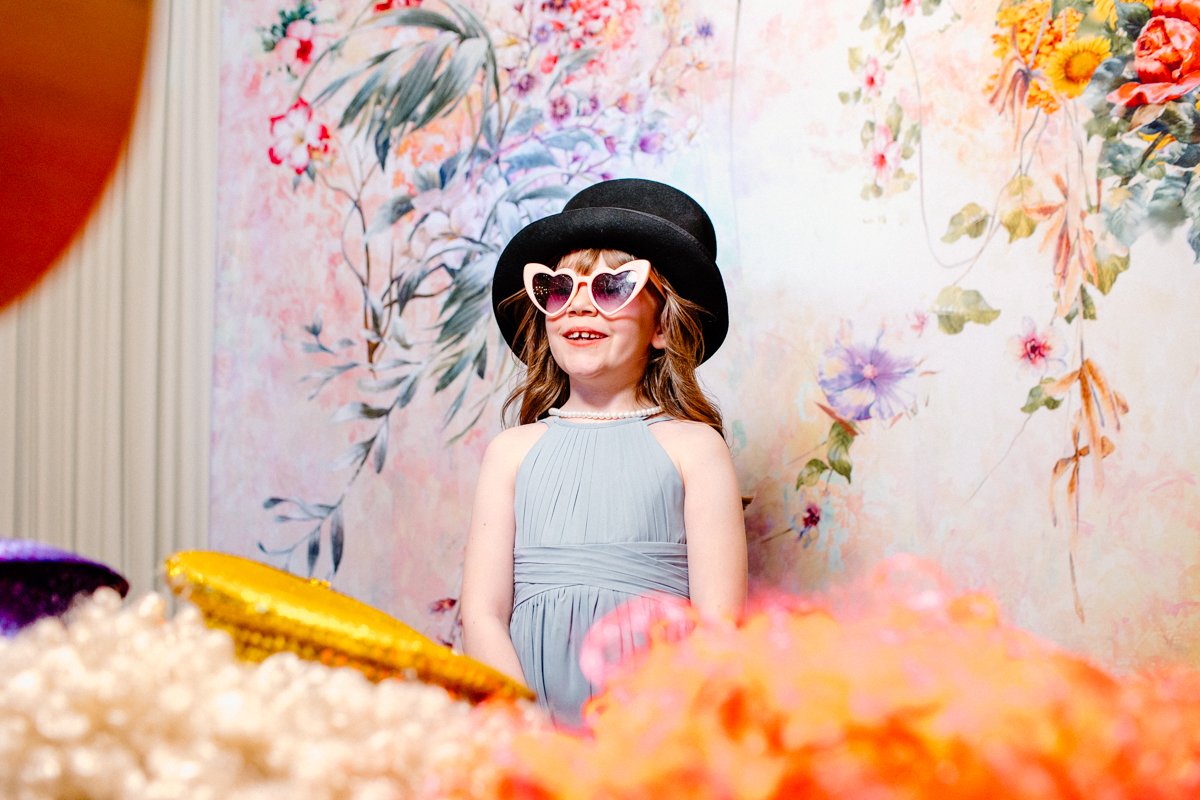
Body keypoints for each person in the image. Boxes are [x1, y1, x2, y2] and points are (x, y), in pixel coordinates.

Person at [460, 179, 747, 726]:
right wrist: (526, 729)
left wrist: (652, 737)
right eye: (559, 289)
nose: (579, 307)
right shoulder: (511, 453)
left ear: (662, 325)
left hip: (654, 734)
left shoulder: (695, 449)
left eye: (613, 287)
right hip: (529, 729)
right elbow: (483, 613)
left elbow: (718, 629)